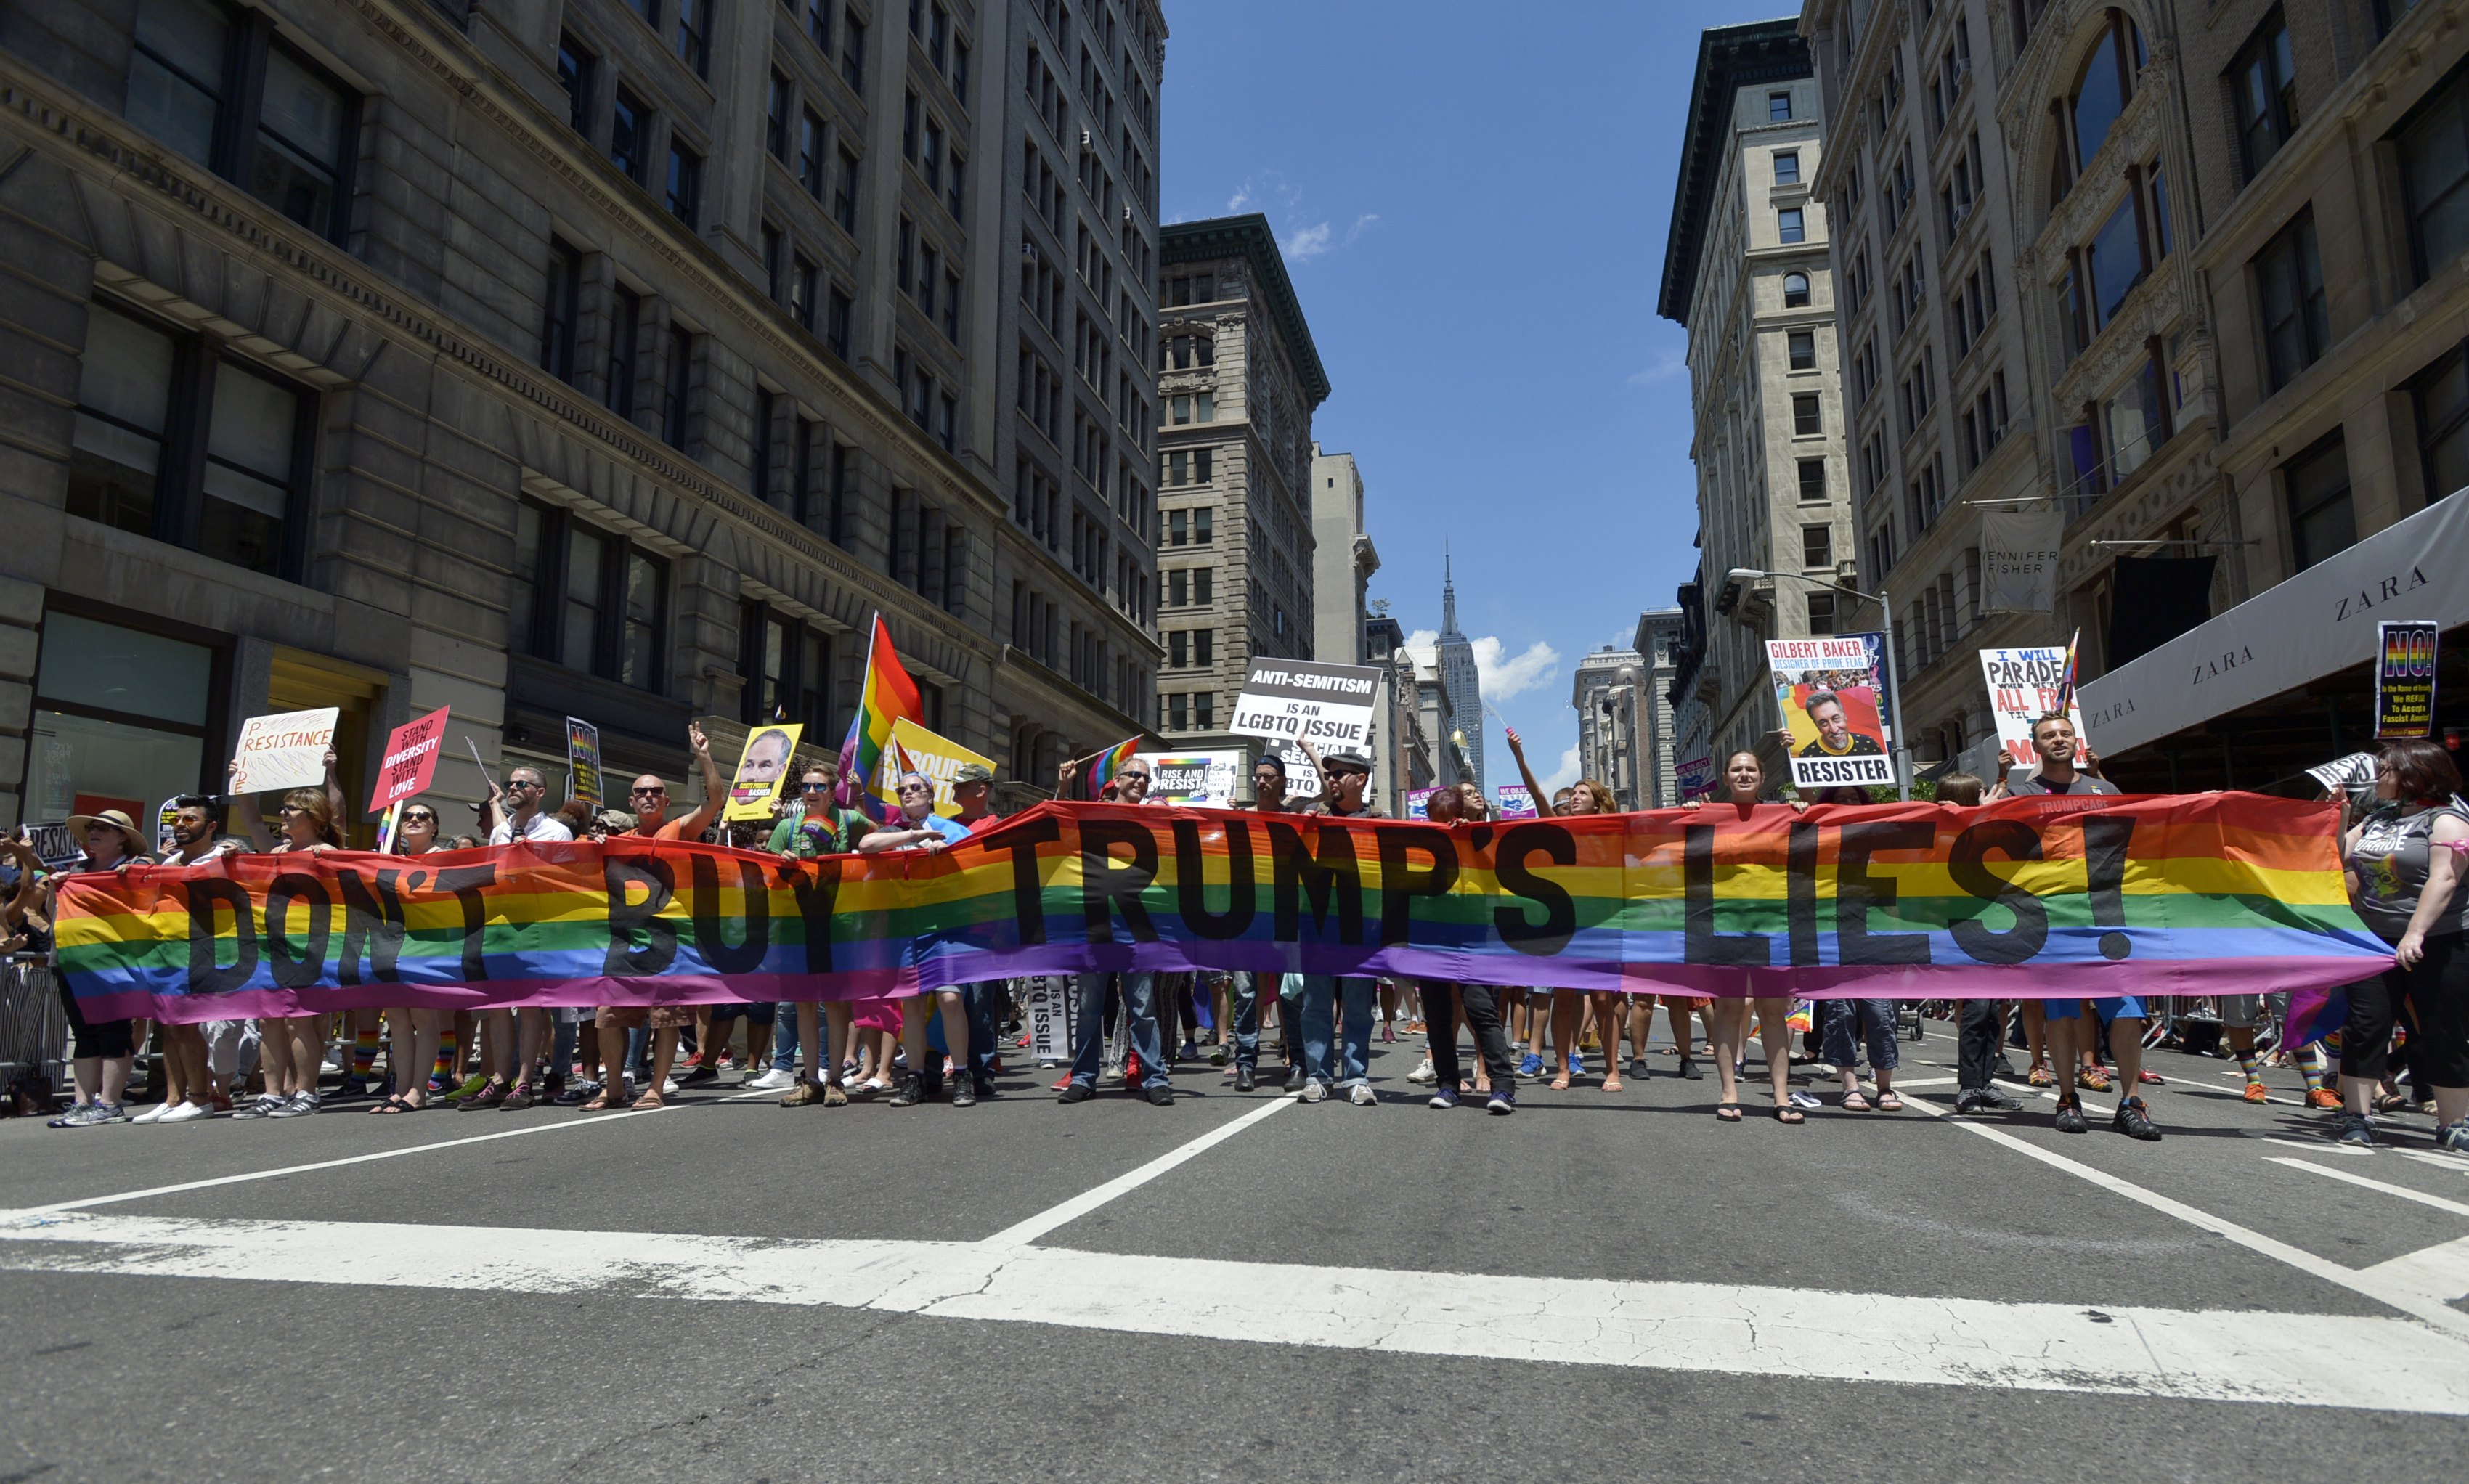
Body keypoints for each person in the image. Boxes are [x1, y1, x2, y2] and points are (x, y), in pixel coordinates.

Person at [2000, 714, 2159, 1141]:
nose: (2058, 740)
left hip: (2110, 915)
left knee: (2126, 1009)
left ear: (2076, 741)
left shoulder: (2104, 791)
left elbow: (2141, 832)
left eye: (2064, 734)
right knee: (2064, 1012)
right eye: (2048, 735)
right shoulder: (2021, 793)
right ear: (2035, 746)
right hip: (2054, 920)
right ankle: (2068, 1097)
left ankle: (2131, 1103)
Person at [2332, 738, 2469, 1151]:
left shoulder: (2446, 820)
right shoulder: (2379, 818)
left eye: (2387, 769)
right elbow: (2338, 857)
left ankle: (2454, 1124)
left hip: (2441, 940)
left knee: (2444, 1029)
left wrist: (2416, 933)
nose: (2380, 777)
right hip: (2374, 940)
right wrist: (2340, 819)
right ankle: (2357, 1116)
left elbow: (2444, 878)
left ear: (2414, 774)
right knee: (2366, 1026)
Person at [580, 725, 723, 1112]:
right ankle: (613, 1089)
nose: (648, 796)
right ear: (631, 800)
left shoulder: (677, 830)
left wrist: (703, 756)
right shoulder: (615, 841)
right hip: (623, 941)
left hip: (667, 940)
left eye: (656, 791)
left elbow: (714, 801)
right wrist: (592, 847)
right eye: (641, 792)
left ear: (666, 799)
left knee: (665, 1020)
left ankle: (656, 1088)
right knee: (607, 1017)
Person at [1681, 751, 1809, 1122]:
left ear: (1762, 775)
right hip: (1725, 923)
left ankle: (1781, 1097)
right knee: (1730, 1009)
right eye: (1736, 769)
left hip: (1775, 924)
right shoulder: (1707, 816)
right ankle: (1728, 1091)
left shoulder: (1785, 814)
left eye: (1751, 768)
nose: (1744, 773)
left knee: (1773, 1011)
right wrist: (1689, 813)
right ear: (1726, 776)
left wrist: (1804, 807)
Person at [1504, 724, 1632, 1091]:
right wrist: (1518, 756)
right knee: (1563, 997)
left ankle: (1612, 1071)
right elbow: (1536, 793)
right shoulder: (1557, 827)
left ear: (1598, 801)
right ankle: (1562, 1068)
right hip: (1563, 925)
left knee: (1604, 1000)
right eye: (1572, 793)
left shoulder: (1613, 831)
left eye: (1581, 793)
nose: (1573, 798)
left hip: (1601, 924)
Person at [1056, 751, 1173, 1106]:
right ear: (1117, 782)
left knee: (1143, 1007)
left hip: (1138, 925)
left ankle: (1155, 1078)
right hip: (1096, 924)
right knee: (1090, 1007)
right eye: (1133, 776)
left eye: (1145, 778)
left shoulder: (1155, 818)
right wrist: (1063, 785)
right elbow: (1058, 824)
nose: (1139, 782)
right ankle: (1084, 1077)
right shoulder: (1094, 815)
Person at [859, 770, 979, 1107]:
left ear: (930, 795)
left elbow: (977, 864)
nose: (908, 793)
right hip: (905, 927)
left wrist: (946, 849)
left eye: (916, 788)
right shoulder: (893, 831)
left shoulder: (954, 830)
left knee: (950, 1000)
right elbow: (867, 845)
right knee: (911, 1003)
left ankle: (963, 1075)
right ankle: (914, 1078)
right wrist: (915, 836)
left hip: (944, 926)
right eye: (902, 790)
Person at [763, 762, 875, 1107]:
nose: (811, 792)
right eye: (806, 786)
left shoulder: (849, 821)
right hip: (797, 925)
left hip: (838, 924)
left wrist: (861, 809)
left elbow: (878, 836)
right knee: (804, 1003)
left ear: (832, 792)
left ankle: (835, 1079)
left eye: (820, 787)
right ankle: (810, 1080)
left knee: (837, 1004)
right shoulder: (786, 826)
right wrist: (778, 861)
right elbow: (765, 874)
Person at [231, 784, 344, 1119]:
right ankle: (272, 1094)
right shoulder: (277, 850)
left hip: (311, 946)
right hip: (274, 944)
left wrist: (331, 773)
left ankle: (307, 1092)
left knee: (299, 1021)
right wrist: (242, 785)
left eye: (291, 809)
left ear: (313, 817)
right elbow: (251, 821)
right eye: (283, 808)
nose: (283, 814)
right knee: (269, 1020)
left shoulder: (328, 853)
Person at [465, 765, 571, 1110]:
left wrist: (531, 861)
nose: (513, 788)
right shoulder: (500, 832)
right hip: (500, 923)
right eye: (510, 784)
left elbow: (563, 881)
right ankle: (499, 1079)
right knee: (497, 1006)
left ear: (539, 792)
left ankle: (524, 1082)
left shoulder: (557, 833)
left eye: (521, 784)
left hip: (537, 926)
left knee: (529, 1007)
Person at [129, 799, 242, 1124]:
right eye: (177, 819)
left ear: (211, 827)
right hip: (168, 948)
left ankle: (200, 1097)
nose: (180, 824)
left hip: (206, 949)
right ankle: (174, 1097)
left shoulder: (224, 858)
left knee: (187, 1022)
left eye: (190, 819)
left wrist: (234, 853)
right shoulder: (170, 863)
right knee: (169, 1024)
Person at [43, 809, 153, 1128]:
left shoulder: (137, 867)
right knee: (83, 1034)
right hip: (70, 960)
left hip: (112, 964)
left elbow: (149, 906)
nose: (94, 832)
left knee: (113, 1031)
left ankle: (109, 1103)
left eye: (104, 828)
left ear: (123, 838)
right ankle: (82, 1103)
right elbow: (55, 914)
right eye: (92, 828)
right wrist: (56, 887)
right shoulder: (77, 870)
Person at [1414, 784, 1518, 1114]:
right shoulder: (1417, 846)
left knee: (1481, 1010)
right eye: (1436, 819)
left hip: (1473, 939)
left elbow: (1498, 881)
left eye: (1449, 820)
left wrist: (1470, 842)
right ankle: (1448, 1084)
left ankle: (1503, 1088)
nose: (1443, 826)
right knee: (1438, 1015)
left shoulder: (1478, 842)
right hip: (1431, 940)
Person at [1293, 743, 1383, 1106]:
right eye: (1327, 773)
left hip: (1361, 929)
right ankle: (1318, 1076)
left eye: (1339, 773)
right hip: (1316, 925)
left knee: (1358, 1006)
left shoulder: (1381, 822)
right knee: (1315, 1004)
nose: (1331, 779)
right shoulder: (1311, 814)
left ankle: (1356, 1077)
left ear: (1360, 780)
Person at [1225, 752, 1303, 1093]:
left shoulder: (1295, 819)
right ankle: (1246, 1063)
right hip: (1247, 919)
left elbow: (1330, 801)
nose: (1261, 781)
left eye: (1269, 775)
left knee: (1292, 995)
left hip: (1286, 920)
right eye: (1257, 776)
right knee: (1245, 994)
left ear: (1282, 781)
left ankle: (1298, 1060)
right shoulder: (1240, 819)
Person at [370, 799, 452, 1114]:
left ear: (434, 826)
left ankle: (420, 1090)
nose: (415, 819)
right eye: (408, 815)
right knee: (396, 1019)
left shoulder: (444, 858)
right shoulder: (389, 859)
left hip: (428, 944)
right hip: (392, 942)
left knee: (423, 1017)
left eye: (423, 816)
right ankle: (401, 1088)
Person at [1796, 689, 1886, 762]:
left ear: (1845, 716)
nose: (1834, 730)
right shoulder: (1807, 757)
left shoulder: (1868, 744)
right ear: (1816, 725)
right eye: (1823, 723)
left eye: (1836, 719)